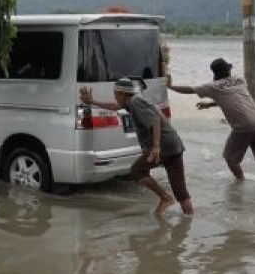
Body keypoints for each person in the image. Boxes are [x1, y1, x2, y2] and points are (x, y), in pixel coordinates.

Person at [79, 78, 195, 215]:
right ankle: (189, 218)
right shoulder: (132, 101)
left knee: (137, 170)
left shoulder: (136, 102)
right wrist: (92, 102)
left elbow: (155, 120)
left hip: (164, 145)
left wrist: (156, 147)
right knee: (180, 189)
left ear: (122, 93)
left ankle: (165, 198)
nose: (115, 96)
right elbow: (114, 106)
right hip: (174, 144)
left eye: (116, 93)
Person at [168, 58, 255, 183]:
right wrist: (210, 105)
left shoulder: (213, 87)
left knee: (230, 158)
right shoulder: (240, 80)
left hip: (244, 125)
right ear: (228, 70)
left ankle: (240, 184)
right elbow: (234, 99)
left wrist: (170, 86)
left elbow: (190, 89)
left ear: (215, 73)